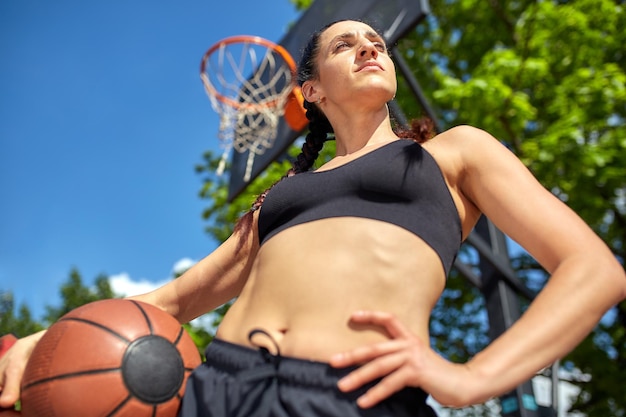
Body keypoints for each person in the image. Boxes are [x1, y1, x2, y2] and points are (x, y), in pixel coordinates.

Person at [1, 19, 625, 417]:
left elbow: (594, 270)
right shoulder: (284, 194)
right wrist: (48, 339)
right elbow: (174, 298)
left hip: (354, 396)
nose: (369, 47)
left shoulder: (454, 152)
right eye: (344, 44)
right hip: (217, 391)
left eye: (375, 41)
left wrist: (472, 377)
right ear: (313, 93)